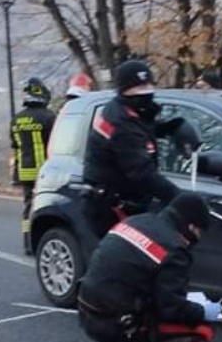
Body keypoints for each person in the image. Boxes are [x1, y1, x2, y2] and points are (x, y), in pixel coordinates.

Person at [77, 192, 222, 342]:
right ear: (191, 226)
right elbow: (172, 309)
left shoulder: (137, 220)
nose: (199, 237)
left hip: (86, 310)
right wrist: (206, 311)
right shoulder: (175, 248)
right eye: (200, 231)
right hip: (116, 322)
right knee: (204, 330)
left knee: (139, 297)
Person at [82, 59, 196, 237]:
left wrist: (171, 127)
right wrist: (180, 200)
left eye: (148, 88)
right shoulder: (119, 121)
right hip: (112, 207)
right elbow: (141, 171)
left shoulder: (132, 113)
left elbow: (143, 130)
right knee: (126, 260)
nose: (145, 94)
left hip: (129, 202)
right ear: (124, 91)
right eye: (137, 89)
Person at [10, 77, 56, 255]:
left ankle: (27, 243)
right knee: (48, 205)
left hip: (24, 170)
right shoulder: (49, 117)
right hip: (45, 170)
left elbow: (14, 145)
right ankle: (45, 240)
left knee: (28, 206)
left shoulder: (17, 119)